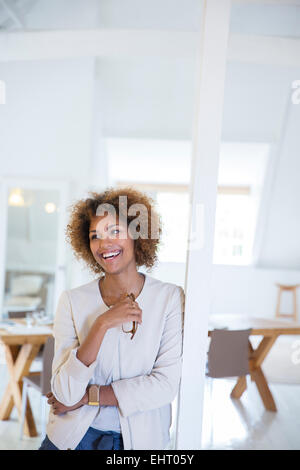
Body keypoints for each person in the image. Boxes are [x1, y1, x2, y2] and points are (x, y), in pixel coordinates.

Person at [39, 186, 185, 450]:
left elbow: (164, 385)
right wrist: (102, 324)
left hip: (140, 442)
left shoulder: (169, 299)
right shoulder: (72, 301)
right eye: (95, 235)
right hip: (72, 438)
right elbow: (65, 393)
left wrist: (90, 396)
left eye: (114, 231)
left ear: (137, 235)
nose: (104, 243)